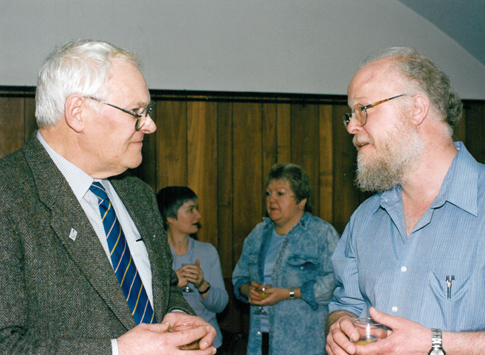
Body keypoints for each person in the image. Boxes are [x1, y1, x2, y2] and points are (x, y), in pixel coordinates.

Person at [0, 39, 216, 355]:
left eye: (148, 111)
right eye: (136, 111)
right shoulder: (9, 195)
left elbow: (165, 289)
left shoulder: (138, 194)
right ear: (77, 112)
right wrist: (116, 351)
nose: (151, 125)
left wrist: (179, 318)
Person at [325, 47, 485, 355]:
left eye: (364, 108)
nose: (353, 126)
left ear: (417, 109)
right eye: (350, 115)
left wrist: (438, 345)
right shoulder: (366, 218)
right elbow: (345, 304)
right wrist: (341, 326)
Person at [233, 162, 340, 355]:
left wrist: (289, 293)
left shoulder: (321, 233)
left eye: (280, 194)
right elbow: (239, 277)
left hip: (303, 344)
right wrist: (247, 289)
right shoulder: (257, 234)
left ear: (301, 200)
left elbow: (333, 284)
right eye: (268, 193)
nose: (271, 200)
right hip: (260, 341)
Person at [156, 186, 229, 350]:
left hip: (207, 343)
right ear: (170, 217)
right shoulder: (156, 254)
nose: (198, 215)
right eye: (191, 210)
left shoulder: (207, 251)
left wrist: (203, 285)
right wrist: (172, 283)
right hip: (169, 346)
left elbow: (221, 305)